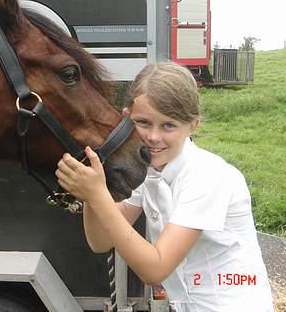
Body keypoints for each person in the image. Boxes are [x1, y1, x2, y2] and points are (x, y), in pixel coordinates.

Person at [55, 61, 274, 312]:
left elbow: (154, 268)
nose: (153, 137)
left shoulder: (208, 176)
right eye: (143, 122)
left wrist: (97, 194)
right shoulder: (148, 169)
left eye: (168, 125)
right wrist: (94, 192)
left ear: (193, 125)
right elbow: (100, 241)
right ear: (126, 117)